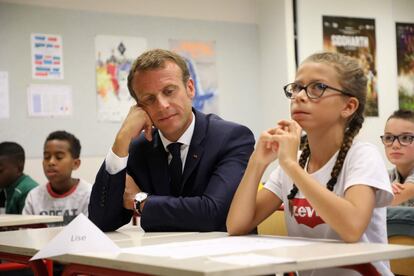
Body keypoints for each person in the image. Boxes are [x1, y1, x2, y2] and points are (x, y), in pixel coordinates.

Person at [227, 52, 393, 276]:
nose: (300, 96)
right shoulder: (294, 163)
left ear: (349, 106)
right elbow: (237, 225)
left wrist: (291, 166)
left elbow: (352, 228)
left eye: (318, 88)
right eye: (297, 87)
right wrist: (257, 162)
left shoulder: (362, 156)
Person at [89, 49, 255, 232]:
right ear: (139, 107)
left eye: (169, 91)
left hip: (226, 254)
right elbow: (102, 221)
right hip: (162, 255)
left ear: (190, 88)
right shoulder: (139, 148)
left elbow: (213, 214)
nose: (162, 105)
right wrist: (121, 139)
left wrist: (140, 201)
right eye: (149, 99)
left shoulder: (231, 138)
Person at [23, 131, 91, 226]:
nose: (51, 162)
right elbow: (27, 234)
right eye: (46, 157)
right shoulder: (34, 196)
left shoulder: (89, 194)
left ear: (75, 164)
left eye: (59, 157)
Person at [381, 109, 414, 207]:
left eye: (405, 138)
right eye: (389, 138)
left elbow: (389, 199)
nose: (395, 145)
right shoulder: (387, 176)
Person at [0, 142, 38, 214]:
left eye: (0, 170)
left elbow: (27, 224)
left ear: (19, 167)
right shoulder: (4, 186)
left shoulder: (28, 191)